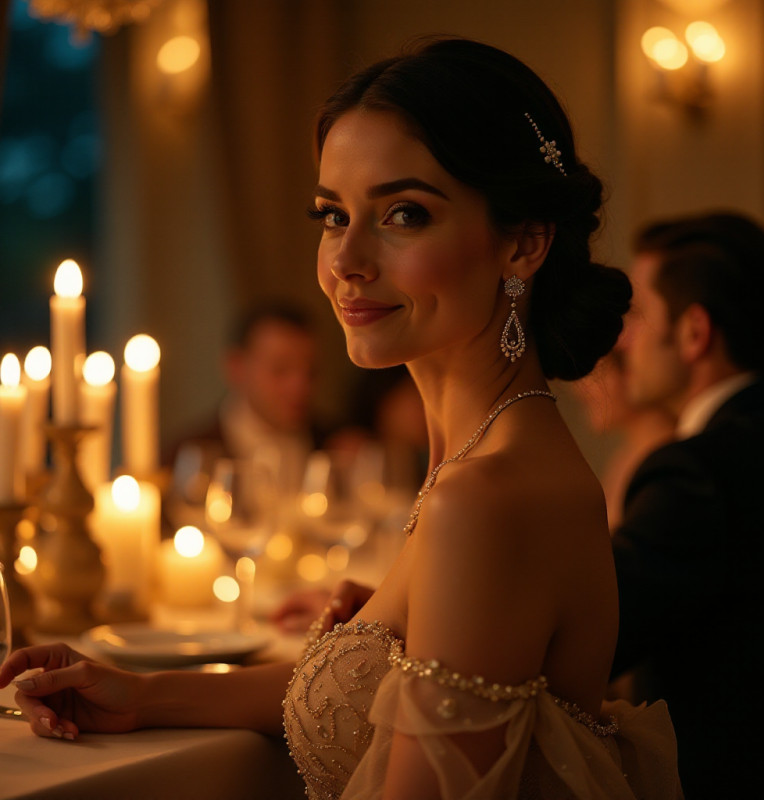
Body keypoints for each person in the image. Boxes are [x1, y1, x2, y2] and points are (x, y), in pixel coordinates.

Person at [0, 38, 682, 799]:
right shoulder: (476, 458)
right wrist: (142, 693)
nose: (347, 260)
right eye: (332, 215)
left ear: (522, 242)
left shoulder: (487, 497)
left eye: (403, 214)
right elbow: (392, 707)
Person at [612, 211, 764, 798]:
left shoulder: (696, 472)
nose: (624, 338)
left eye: (640, 314)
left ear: (694, 333)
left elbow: (594, 632)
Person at [167, 302, 323, 495]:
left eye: (311, 371)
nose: (300, 386)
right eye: (280, 370)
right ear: (237, 368)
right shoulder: (189, 455)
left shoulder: (334, 444)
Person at [572, 346, 674, 530]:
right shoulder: (625, 455)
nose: (580, 389)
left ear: (629, 370)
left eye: (597, 374)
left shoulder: (662, 454)